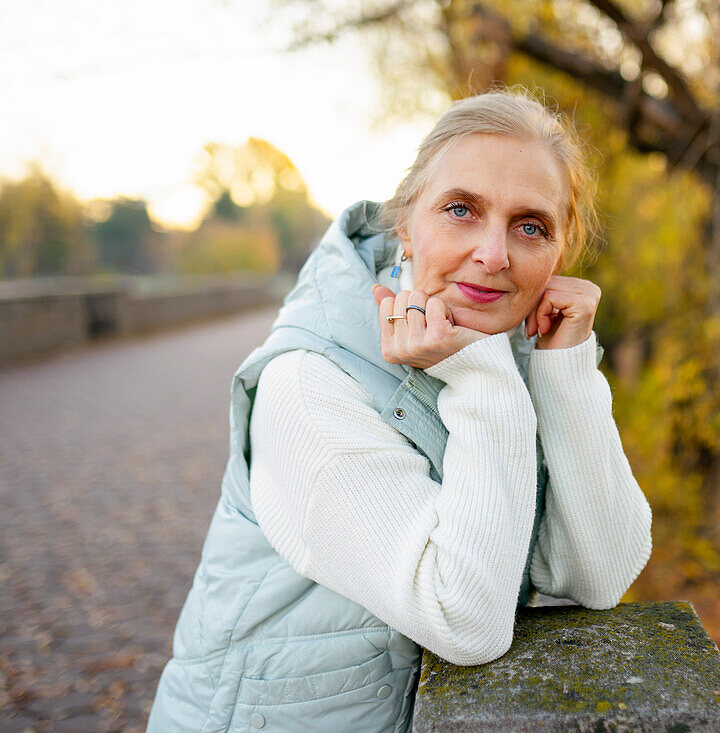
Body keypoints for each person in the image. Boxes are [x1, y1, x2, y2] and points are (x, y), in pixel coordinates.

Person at [148, 89, 652, 732]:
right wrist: (478, 374)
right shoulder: (307, 385)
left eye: (531, 226)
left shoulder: (507, 347)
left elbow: (600, 573)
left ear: (559, 255)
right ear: (405, 227)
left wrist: (566, 370)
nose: (495, 254)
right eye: (461, 209)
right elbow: (466, 621)